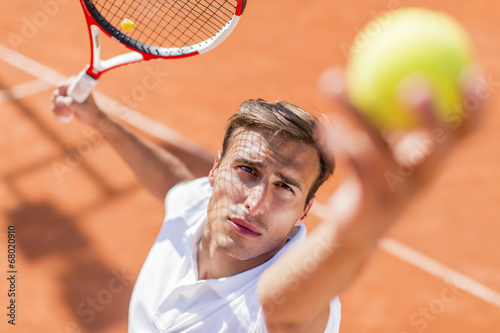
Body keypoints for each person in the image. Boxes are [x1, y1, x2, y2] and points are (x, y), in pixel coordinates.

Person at [51, 65, 481, 332]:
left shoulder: (283, 306)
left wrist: (365, 222)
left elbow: (287, 312)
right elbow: (173, 183)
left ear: (306, 211)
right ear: (216, 170)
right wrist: (99, 118)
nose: (254, 204)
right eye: (248, 171)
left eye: (285, 187)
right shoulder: (197, 204)